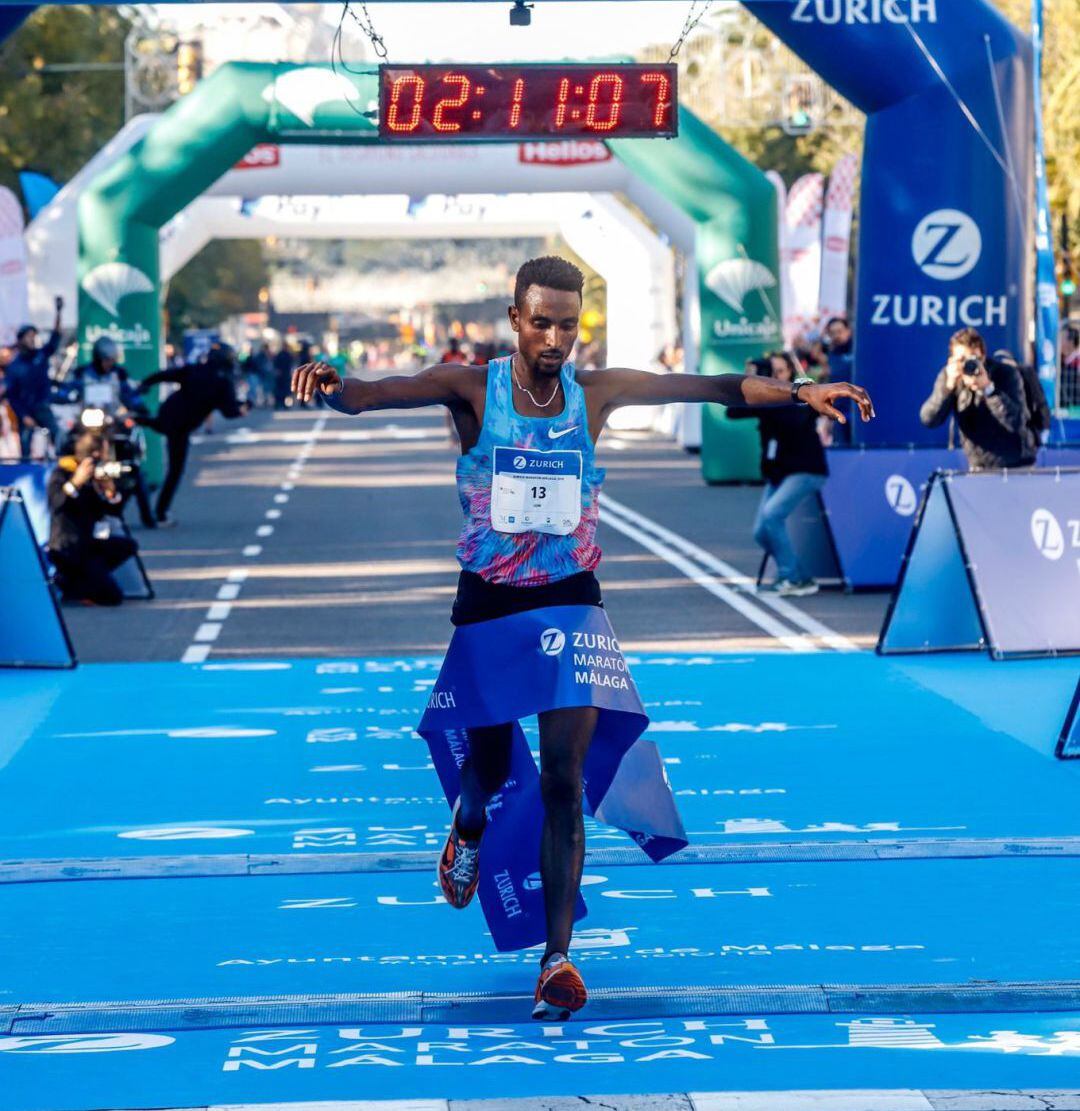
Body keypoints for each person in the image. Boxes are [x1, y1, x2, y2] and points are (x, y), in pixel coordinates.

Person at [292, 255, 874, 1020]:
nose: (557, 338)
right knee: (492, 773)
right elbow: (367, 396)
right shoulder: (474, 387)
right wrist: (330, 377)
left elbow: (712, 388)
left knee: (563, 777)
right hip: (491, 604)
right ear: (515, 319)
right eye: (542, 322)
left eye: (569, 324)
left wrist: (800, 392)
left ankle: (557, 959)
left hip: (572, 603)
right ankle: (466, 827)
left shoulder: (593, 395)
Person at [730, 351, 829, 596]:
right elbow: (732, 412)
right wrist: (749, 380)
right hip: (780, 473)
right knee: (761, 531)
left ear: (791, 374)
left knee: (772, 515)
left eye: (780, 372)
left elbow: (793, 420)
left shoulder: (801, 398)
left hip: (806, 469)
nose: (775, 377)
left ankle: (790, 577)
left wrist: (771, 397)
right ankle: (802, 577)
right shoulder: (766, 402)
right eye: (771, 373)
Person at [136, 343, 248, 526]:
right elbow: (230, 411)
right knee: (175, 471)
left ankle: (138, 419)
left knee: (156, 427)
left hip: (167, 414)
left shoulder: (195, 370)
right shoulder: (223, 382)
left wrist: (145, 383)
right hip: (181, 427)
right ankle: (161, 512)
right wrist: (243, 408)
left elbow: (167, 374)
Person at [69, 337, 156, 529]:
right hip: (88, 426)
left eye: (112, 360)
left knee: (134, 466)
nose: (110, 363)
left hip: (113, 425)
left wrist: (139, 407)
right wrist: (64, 395)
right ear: (98, 358)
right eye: (107, 360)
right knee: (68, 448)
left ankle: (148, 515)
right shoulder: (82, 374)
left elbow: (129, 395)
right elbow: (69, 391)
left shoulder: (119, 374)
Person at [920, 327, 1036, 470]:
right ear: (952, 360)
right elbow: (929, 419)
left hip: (1016, 464)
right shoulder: (950, 377)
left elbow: (1016, 421)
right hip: (978, 465)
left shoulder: (1005, 374)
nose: (968, 365)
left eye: (973, 359)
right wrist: (948, 388)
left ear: (983, 357)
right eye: (962, 359)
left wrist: (988, 389)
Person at [48, 430, 138, 606]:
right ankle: (76, 583)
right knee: (112, 598)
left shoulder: (95, 479)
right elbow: (57, 504)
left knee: (127, 545)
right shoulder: (62, 473)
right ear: (93, 455)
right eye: (104, 453)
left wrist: (110, 491)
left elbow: (112, 512)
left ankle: (82, 581)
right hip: (68, 547)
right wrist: (76, 482)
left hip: (89, 542)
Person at [6, 296, 63, 458]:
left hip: (42, 407)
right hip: (26, 411)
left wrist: (58, 312)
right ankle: (25, 472)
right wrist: (23, 416)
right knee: (25, 446)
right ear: (21, 339)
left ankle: (60, 463)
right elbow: (12, 396)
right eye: (28, 336)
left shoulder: (40, 355)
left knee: (57, 433)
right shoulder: (14, 366)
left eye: (34, 335)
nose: (32, 339)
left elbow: (55, 338)